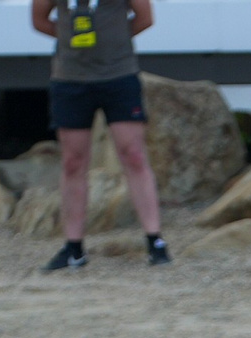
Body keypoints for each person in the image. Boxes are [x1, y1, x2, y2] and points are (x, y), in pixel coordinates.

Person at [31, 0, 171, 271]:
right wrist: (71, 38)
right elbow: (39, 20)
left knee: (133, 155)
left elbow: (144, 18)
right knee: (73, 161)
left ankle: (155, 240)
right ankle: (74, 248)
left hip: (118, 76)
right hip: (70, 79)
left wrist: (111, 40)